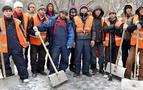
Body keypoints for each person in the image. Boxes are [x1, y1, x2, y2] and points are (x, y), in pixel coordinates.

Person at [34, 10, 74, 74]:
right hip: (56, 44)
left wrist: (70, 42)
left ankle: (62, 71)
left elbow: (71, 33)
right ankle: (53, 71)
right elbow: (45, 24)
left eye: (65, 14)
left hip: (65, 44)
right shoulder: (54, 21)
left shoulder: (68, 22)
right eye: (62, 13)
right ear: (59, 13)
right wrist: (38, 27)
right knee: (54, 58)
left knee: (65, 58)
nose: (63, 15)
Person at [0, 5, 29, 83]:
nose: (8, 13)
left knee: (20, 62)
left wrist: (24, 42)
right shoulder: (0, 22)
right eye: (6, 11)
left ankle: (24, 77)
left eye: (9, 11)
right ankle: (8, 77)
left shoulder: (17, 21)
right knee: (4, 64)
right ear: (3, 12)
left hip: (16, 45)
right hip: (4, 47)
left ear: (12, 12)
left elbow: (23, 33)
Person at [73, 4, 93, 77]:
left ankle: (86, 71)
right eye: (82, 8)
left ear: (87, 10)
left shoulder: (91, 18)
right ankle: (77, 71)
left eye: (85, 8)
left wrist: (92, 39)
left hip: (87, 40)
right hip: (79, 40)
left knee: (87, 56)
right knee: (77, 56)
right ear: (80, 10)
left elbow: (93, 30)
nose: (84, 10)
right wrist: (74, 41)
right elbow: (73, 31)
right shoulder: (75, 18)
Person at [29, 4, 48, 77]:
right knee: (33, 57)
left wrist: (47, 40)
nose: (43, 11)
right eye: (41, 10)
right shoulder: (33, 18)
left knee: (42, 57)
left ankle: (41, 70)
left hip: (43, 42)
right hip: (34, 42)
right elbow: (29, 29)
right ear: (38, 11)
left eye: (44, 10)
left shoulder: (47, 20)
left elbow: (49, 31)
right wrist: (34, 33)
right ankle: (34, 71)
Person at [125, 5, 143, 80]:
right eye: (141, 9)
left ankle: (141, 78)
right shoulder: (135, 18)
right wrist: (135, 25)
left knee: (142, 63)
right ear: (138, 10)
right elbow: (129, 28)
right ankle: (127, 77)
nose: (142, 10)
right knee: (129, 61)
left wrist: (140, 23)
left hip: (142, 44)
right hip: (134, 43)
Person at [13, 1, 31, 69]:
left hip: (25, 40)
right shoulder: (11, 17)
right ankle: (19, 69)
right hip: (15, 40)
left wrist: (28, 39)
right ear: (15, 8)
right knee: (18, 56)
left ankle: (25, 68)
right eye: (18, 7)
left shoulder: (26, 17)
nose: (19, 9)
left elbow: (28, 29)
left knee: (25, 55)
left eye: (21, 7)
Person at [90, 5, 105, 75]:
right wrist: (92, 39)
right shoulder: (91, 19)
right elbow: (92, 30)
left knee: (101, 55)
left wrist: (104, 40)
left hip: (101, 41)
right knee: (93, 56)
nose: (98, 12)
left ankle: (101, 68)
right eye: (96, 10)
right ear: (94, 11)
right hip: (93, 41)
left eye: (99, 10)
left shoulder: (103, 20)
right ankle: (94, 68)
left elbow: (104, 31)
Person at [69, 6, 77, 72]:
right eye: (72, 12)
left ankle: (72, 65)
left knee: (74, 54)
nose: (73, 14)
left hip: (75, 40)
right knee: (66, 54)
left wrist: (74, 41)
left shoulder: (77, 20)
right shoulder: (67, 19)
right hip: (68, 40)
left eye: (74, 12)